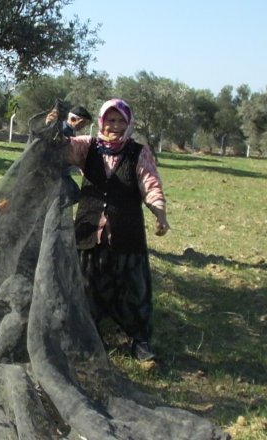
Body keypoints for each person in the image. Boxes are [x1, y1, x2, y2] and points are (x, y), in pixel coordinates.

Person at [61, 98, 170, 362]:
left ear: (129, 123)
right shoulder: (88, 147)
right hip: (89, 232)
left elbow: (150, 183)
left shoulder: (138, 152)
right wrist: (62, 126)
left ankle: (140, 342)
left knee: (133, 290)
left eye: (121, 121)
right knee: (87, 287)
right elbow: (59, 150)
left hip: (126, 234)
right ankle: (89, 336)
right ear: (101, 122)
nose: (115, 126)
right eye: (110, 120)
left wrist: (160, 213)